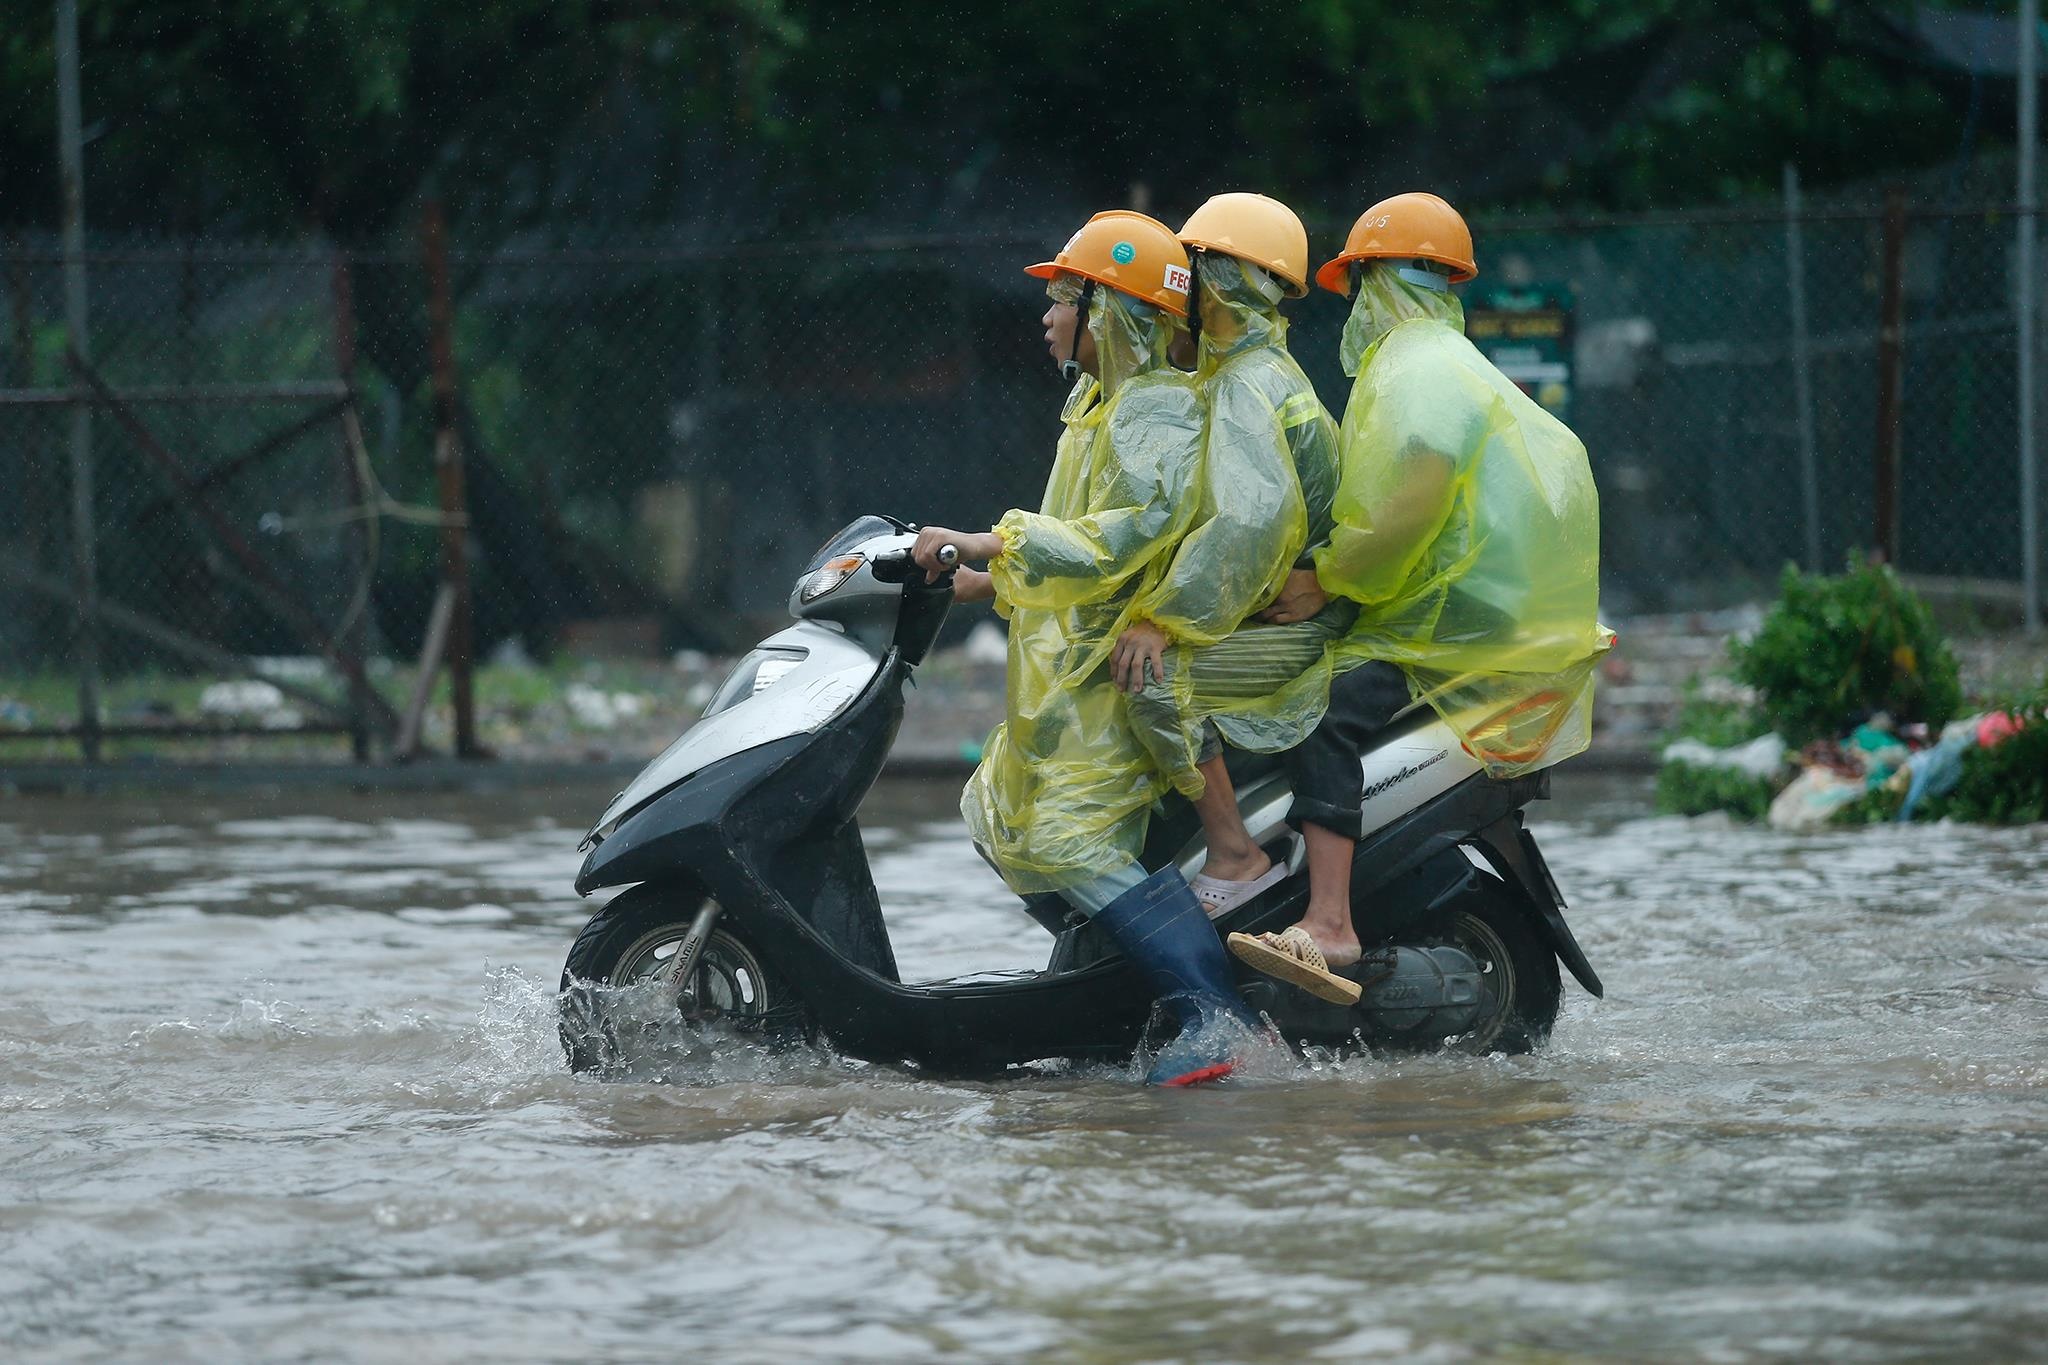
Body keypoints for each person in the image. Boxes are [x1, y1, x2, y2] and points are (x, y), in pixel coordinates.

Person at [1225, 192, 1611, 1004]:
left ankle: (1330, 921)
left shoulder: (1415, 370)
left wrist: (1324, 577)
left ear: (1380, 281)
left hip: (1455, 630)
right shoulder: (1454, 365)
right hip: (1487, 622)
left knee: (1317, 704)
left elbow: (1406, 504)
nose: (1357, 308)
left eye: (1359, 285)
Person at [909, 210, 1261, 1086]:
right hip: (1062, 664)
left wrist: (994, 543)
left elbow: (1120, 538)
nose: (1046, 314)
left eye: (1062, 296)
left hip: (1113, 669)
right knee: (995, 814)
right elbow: (1072, 533)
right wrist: (991, 581)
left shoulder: (1156, 413)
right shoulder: (1098, 402)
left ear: (1111, 311)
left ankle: (1215, 1017)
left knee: (1065, 839)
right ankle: (1123, 977)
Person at [1107, 193, 1354, 916]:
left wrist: (1164, 619)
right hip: (1275, 607)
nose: (1182, 285)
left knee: (1150, 674)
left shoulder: (1249, 384)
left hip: (1299, 622)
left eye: (1196, 267)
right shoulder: (1241, 372)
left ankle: (1236, 854)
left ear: (1227, 279)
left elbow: (1246, 528)